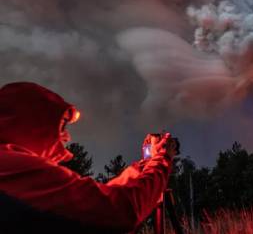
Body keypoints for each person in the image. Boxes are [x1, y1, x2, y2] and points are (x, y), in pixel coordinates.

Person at [0, 82, 177, 234]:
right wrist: (161, 159)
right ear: (34, 124)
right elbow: (117, 211)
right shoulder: (15, 167)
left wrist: (143, 166)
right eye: (61, 126)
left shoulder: (13, 170)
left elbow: (92, 202)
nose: (66, 137)